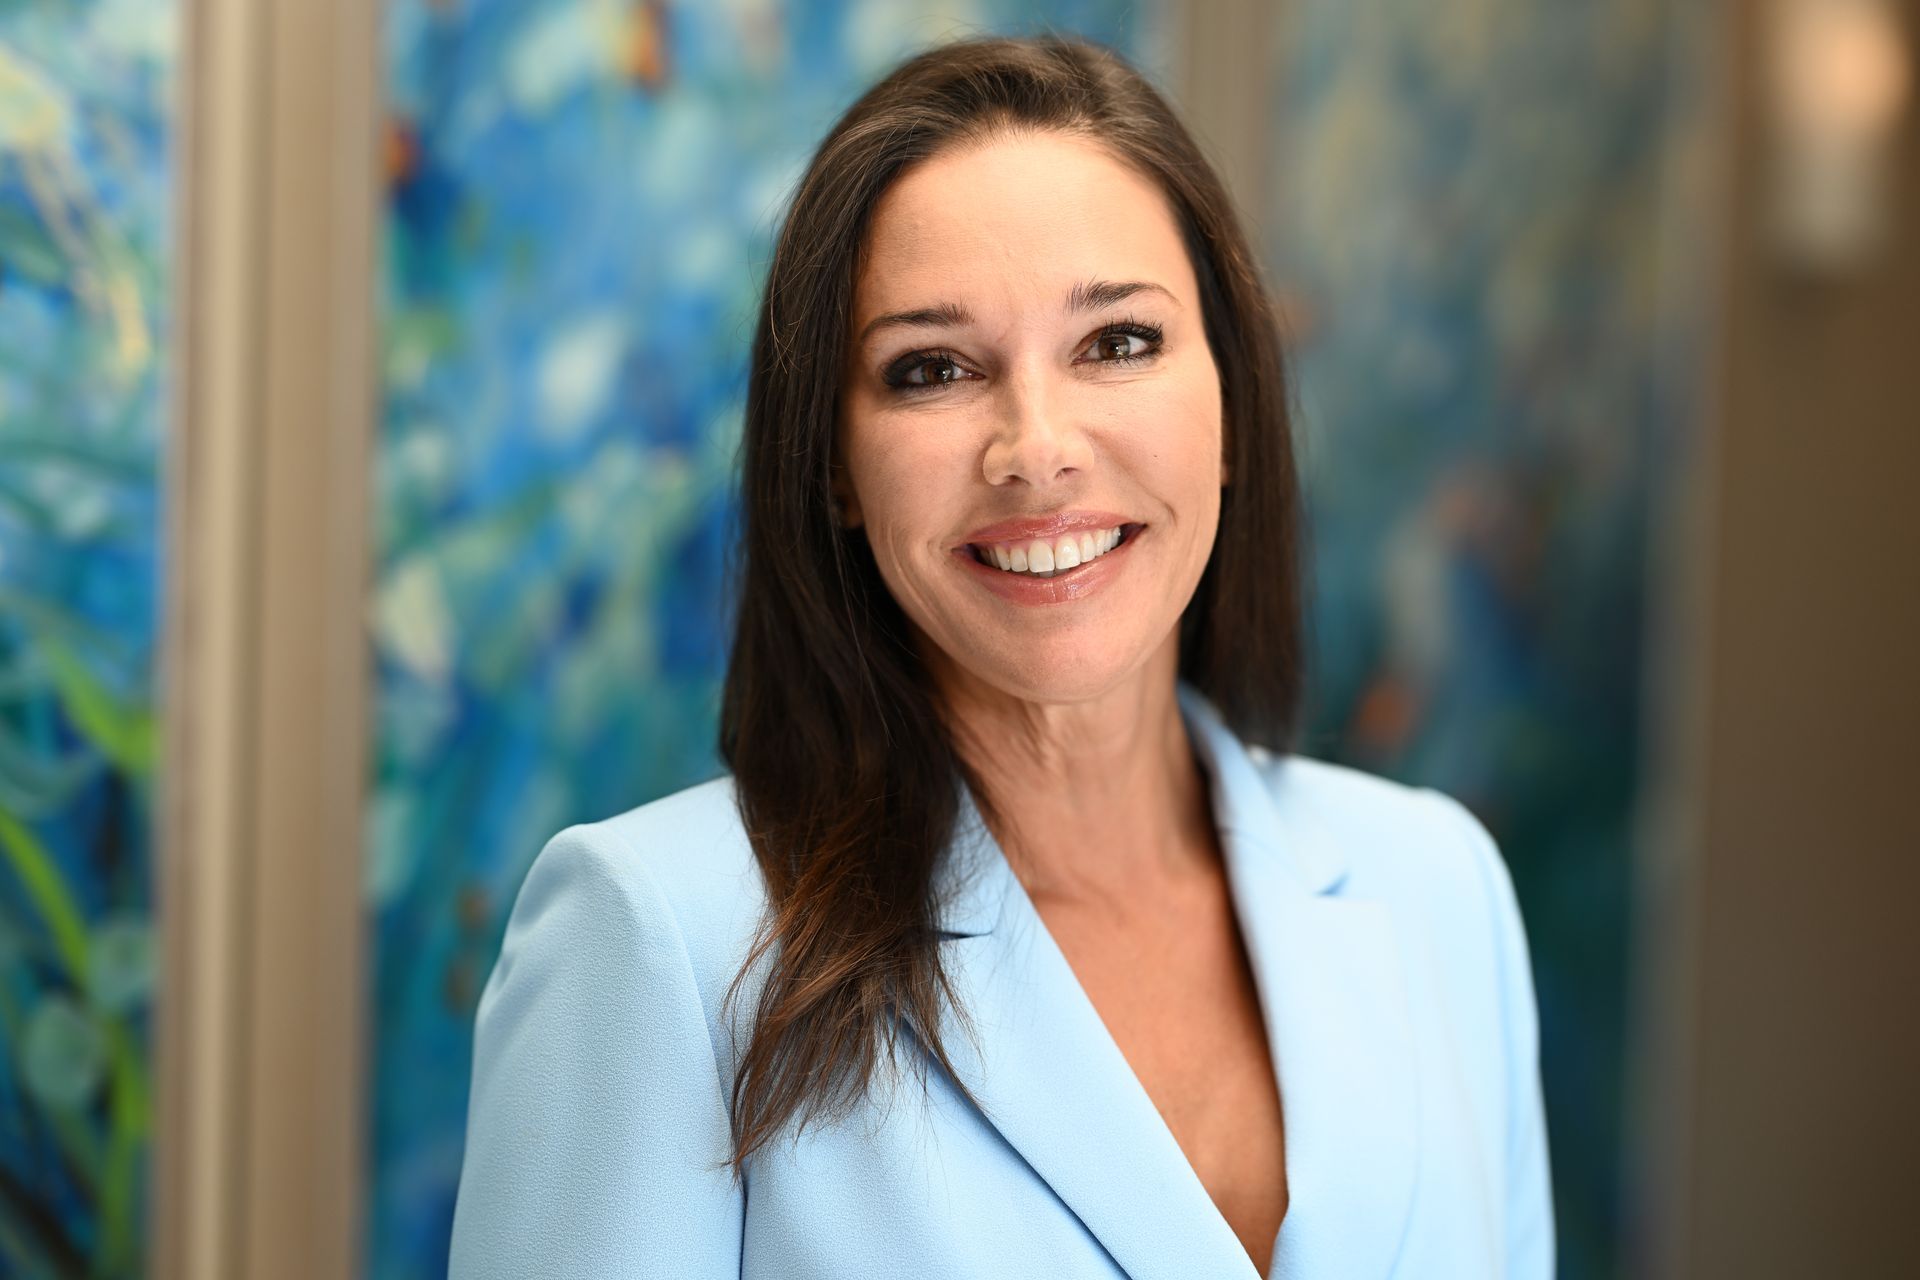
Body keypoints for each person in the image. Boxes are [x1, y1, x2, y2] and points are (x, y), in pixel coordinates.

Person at [448, 33, 1553, 1280]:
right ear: (835, 471)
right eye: (934, 369)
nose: (1037, 447)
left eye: (1118, 342)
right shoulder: (655, 938)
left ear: (1231, 404)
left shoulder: (1438, 890)